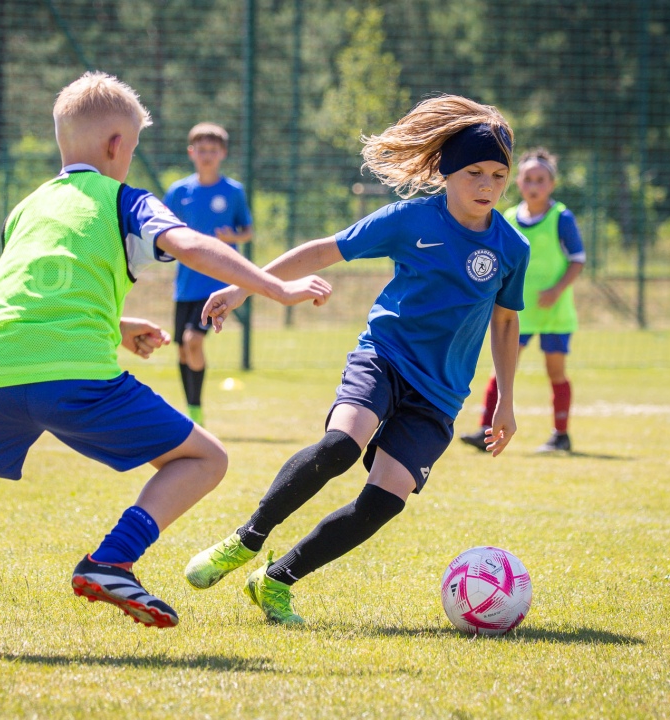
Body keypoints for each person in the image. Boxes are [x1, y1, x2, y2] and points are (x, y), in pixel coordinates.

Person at [0, 71, 331, 645]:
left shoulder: (26, 209)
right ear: (116, 145)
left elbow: (34, 302)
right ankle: (113, 559)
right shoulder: (124, 199)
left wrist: (118, 325)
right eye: (131, 148)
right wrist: (273, 287)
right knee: (204, 459)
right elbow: (190, 244)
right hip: (79, 381)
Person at [183, 95, 530, 624]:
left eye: (498, 175)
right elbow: (326, 249)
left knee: (383, 502)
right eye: (474, 172)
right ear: (446, 171)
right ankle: (246, 540)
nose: (486, 186)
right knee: (341, 445)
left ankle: (276, 581)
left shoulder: (512, 247)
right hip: (384, 357)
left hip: (440, 394)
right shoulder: (411, 218)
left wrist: (505, 401)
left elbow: (505, 322)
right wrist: (243, 289)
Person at [459, 148, 584, 454]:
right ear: (518, 183)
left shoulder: (561, 217)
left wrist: (556, 290)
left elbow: (577, 260)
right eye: (528, 179)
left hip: (554, 312)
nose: (534, 185)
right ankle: (486, 429)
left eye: (541, 179)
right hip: (516, 311)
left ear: (551, 184)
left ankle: (561, 435)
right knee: (502, 369)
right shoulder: (509, 218)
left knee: (555, 371)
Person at [164, 123, 253, 426]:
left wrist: (233, 237)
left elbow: (248, 231)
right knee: (182, 350)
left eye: (212, 150)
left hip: (218, 283)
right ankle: (192, 411)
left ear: (222, 154)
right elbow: (163, 228)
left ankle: (197, 414)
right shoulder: (179, 192)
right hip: (186, 285)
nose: (206, 155)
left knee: (193, 341)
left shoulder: (233, 192)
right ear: (192, 153)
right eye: (201, 150)